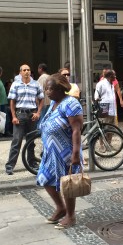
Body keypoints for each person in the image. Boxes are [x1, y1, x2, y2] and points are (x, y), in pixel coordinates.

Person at [36, 74, 83, 229]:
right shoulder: (54, 104)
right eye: (46, 89)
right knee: (44, 178)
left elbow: (76, 130)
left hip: (66, 152)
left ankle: (71, 216)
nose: (47, 92)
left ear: (61, 89)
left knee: (67, 184)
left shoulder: (71, 103)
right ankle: (61, 208)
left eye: (50, 88)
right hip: (51, 152)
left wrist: (76, 154)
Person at [5, 64, 44, 175]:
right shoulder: (15, 84)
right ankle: (10, 165)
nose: (26, 72)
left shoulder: (36, 84)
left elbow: (41, 99)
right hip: (20, 114)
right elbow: (12, 101)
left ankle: (31, 163)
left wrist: (38, 112)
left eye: (28, 70)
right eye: (24, 70)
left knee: (31, 141)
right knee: (16, 141)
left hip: (32, 115)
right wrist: (13, 116)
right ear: (20, 72)